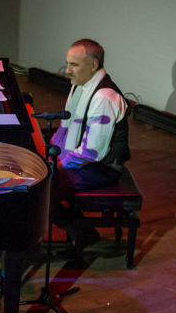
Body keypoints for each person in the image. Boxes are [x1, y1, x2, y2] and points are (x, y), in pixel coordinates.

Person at [49, 39, 131, 255]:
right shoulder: (80, 86)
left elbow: (93, 151)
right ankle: (81, 232)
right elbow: (66, 127)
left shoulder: (104, 97)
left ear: (93, 66)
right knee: (38, 184)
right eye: (67, 64)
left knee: (42, 193)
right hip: (85, 162)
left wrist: (58, 164)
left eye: (74, 65)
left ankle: (84, 233)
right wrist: (49, 153)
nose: (67, 71)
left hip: (102, 168)